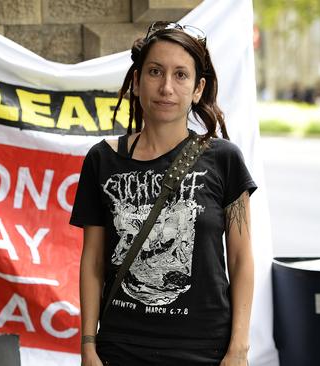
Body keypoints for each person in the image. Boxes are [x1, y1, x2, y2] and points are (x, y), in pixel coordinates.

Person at [70, 22, 256, 366]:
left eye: (181, 75)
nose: (166, 87)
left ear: (198, 88)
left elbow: (242, 260)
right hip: (121, 348)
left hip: (205, 350)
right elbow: (93, 262)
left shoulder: (224, 159)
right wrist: (87, 345)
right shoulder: (102, 160)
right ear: (137, 81)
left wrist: (238, 348)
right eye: (155, 72)